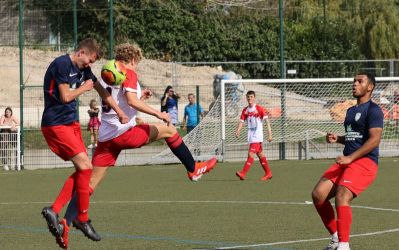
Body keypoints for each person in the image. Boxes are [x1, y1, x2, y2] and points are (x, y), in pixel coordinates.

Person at [57, 43, 217, 248]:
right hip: (124, 134)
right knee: (169, 130)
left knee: (87, 186)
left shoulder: (107, 71)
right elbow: (131, 101)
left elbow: (123, 101)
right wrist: (158, 113)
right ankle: (193, 169)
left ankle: (66, 224)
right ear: (132, 60)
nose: (137, 67)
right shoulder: (128, 72)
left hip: (106, 139)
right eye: (137, 63)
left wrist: (142, 97)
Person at [40, 38, 128, 249]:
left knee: (83, 171)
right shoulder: (61, 64)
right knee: (86, 167)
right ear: (81, 52)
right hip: (55, 124)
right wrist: (84, 88)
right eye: (89, 60)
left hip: (71, 124)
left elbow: (102, 91)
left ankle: (58, 212)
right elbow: (65, 97)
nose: (89, 65)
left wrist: (120, 112)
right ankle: (81, 218)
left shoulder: (84, 70)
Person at [311, 72, 383, 250]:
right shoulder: (351, 111)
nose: (355, 84)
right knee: (318, 195)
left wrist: (351, 157)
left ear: (370, 87)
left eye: (360, 81)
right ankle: (336, 238)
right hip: (347, 161)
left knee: (343, 195)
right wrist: (339, 138)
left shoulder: (374, 110)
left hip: (365, 162)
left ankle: (344, 246)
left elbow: (374, 139)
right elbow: (355, 137)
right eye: (354, 81)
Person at [235, 90, 273, 181]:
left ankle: (243, 173)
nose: (249, 98)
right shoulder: (245, 110)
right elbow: (241, 121)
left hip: (257, 136)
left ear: (254, 98)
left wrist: (270, 134)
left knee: (251, 153)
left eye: (251, 97)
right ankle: (268, 173)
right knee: (260, 155)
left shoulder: (259, 109)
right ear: (246, 98)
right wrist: (238, 131)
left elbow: (267, 121)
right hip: (251, 136)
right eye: (248, 97)